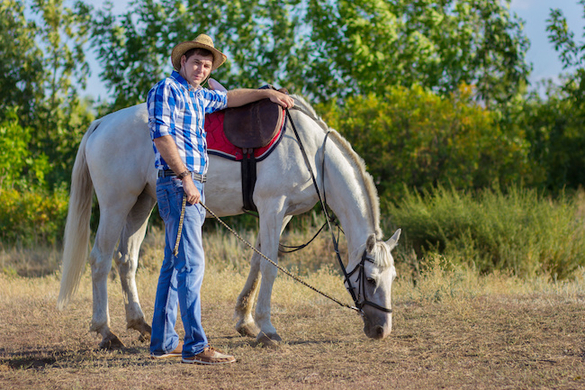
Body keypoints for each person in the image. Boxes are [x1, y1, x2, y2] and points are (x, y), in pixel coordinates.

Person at [148, 34, 294, 365]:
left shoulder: (199, 97)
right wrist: (186, 179)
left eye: (207, 64)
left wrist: (267, 93)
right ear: (182, 62)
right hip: (178, 182)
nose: (201, 68)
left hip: (188, 183)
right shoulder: (166, 90)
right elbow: (161, 135)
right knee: (192, 266)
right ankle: (196, 347)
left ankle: (163, 342)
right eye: (196, 62)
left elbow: (230, 98)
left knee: (174, 265)